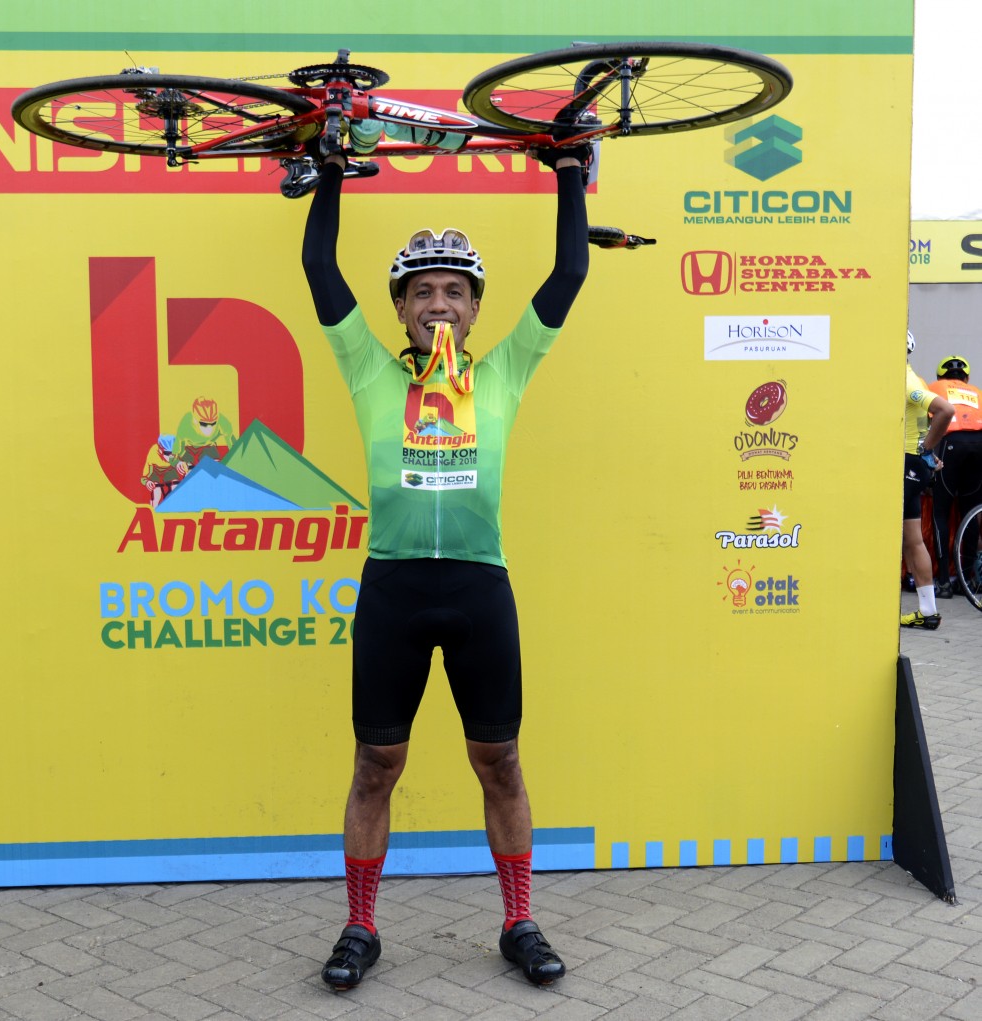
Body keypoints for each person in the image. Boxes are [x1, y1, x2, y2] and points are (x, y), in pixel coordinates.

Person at [301, 137, 589, 990]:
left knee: (501, 763)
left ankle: (519, 920)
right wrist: (329, 169)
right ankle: (359, 926)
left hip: (477, 587)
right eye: (422, 290)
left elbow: (568, 274)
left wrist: (569, 173)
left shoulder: (504, 370)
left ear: (474, 310)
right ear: (398, 307)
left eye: (454, 291)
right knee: (374, 768)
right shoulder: (367, 369)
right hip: (394, 587)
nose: (438, 303)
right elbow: (319, 267)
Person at [902, 331, 952, 629]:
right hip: (914, 464)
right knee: (912, 540)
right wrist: (927, 453)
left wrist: (926, 449)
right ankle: (928, 611)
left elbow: (946, 410)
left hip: (907, 463)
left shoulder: (906, 381)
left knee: (895, 537)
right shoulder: (915, 378)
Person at [927, 353, 982, 597]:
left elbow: (924, 422)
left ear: (941, 377)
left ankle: (943, 582)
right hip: (979, 444)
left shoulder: (934, 387)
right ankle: (967, 580)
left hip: (951, 443)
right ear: (966, 378)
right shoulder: (977, 392)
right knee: (970, 512)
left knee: (940, 511)